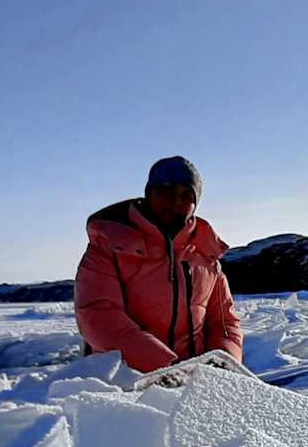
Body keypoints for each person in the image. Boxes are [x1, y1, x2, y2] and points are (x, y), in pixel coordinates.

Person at [75, 156, 244, 373]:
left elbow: (224, 322)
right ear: (149, 192)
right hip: (125, 381)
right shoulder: (109, 246)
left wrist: (223, 366)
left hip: (197, 381)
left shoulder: (207, 257)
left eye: (187, 196)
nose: (176, 201)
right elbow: (98, 314)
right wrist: (165, 368)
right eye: (167, 189)